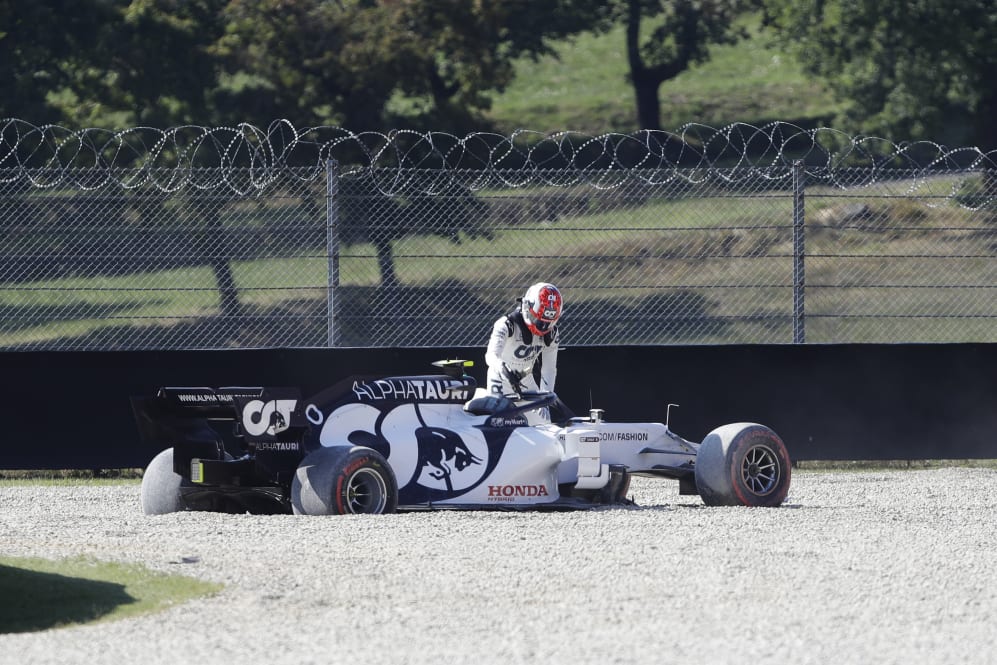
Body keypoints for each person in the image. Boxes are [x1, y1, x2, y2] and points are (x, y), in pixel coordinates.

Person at [485, 282, 563, 396]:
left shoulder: (552, 333)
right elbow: (491, 356)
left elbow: (549, 369)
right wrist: (504, 370)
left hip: (526, 381)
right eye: (538, 319)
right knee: (500, 413)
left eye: (548, 322)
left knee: (544, 413)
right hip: (500, 379)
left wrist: (546, 396)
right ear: (527, 307)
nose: (542, 327)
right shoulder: (506, 325)